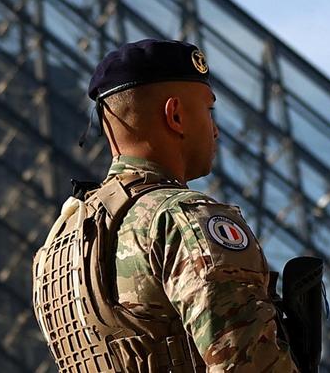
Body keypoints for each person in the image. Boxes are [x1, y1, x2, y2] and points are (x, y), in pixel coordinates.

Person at [32, 39, 298, 372]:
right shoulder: (182, 218)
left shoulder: (59, 244)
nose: (215, 130)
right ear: (174, 115)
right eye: (208, 110)